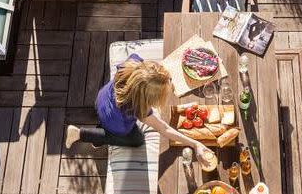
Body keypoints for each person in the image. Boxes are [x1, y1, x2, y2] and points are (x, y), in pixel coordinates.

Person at [64, 53, 212, 159]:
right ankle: (81, 134)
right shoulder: (137, 107)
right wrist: (195, 144)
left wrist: (165, 81)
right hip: (116, 124)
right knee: (137, 140)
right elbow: (164, 129)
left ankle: (98, 136)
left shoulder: (133, 63)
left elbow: (150, 74)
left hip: (101, 101)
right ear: (148, 98)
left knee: (109, 123)